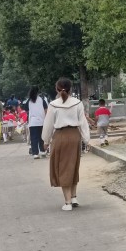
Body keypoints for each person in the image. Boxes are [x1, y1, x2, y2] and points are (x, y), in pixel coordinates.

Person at [41, 78, 91, 211]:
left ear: (57, 89)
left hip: (60, 137)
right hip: (75, 136)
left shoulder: (53, 105)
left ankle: (68, 202)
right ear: (71, 89)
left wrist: (46, 141)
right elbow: (83, 123)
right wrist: (87, 140)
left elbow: (48, 124)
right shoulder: (78, 103)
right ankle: (73, 197)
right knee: (73, 166)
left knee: (63, 168)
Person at [26, 86, 49, 158]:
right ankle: (42, 151)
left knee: (33, 138)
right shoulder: (42, 100)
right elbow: (46, 109)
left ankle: (35, 153)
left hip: (32, 122)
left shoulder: (29, 100)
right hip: (41, 121)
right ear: (38, 92)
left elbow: (26, 109)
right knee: (41, 137)